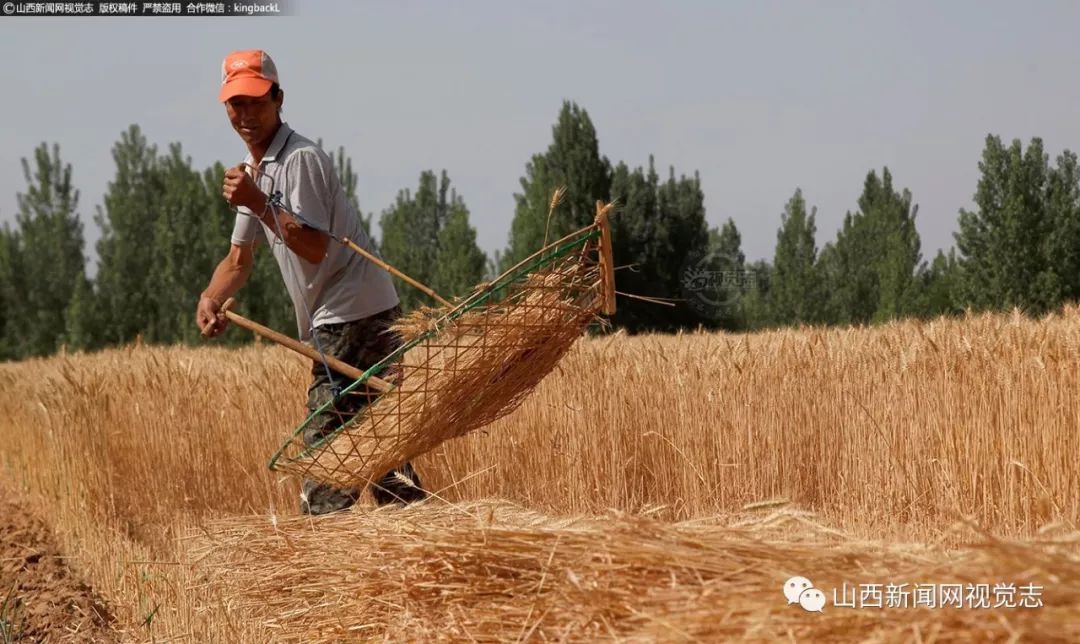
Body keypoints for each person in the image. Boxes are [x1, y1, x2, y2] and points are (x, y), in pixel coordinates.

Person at [196, 49, 426, 514]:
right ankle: (425, 552)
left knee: (325, 460)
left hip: (352, 314)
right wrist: (211, 297)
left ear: (278, 99)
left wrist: (258, 201)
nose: (245, 114)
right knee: (378, 444)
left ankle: (325, 571)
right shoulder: (254, 169)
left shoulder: (298, 160)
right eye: (235, 104)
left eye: (255, 102)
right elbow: (239, 259)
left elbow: (315, 246)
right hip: (358, 310)